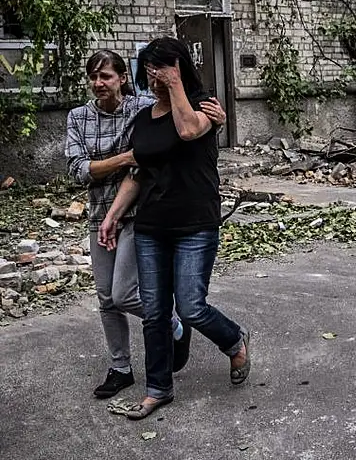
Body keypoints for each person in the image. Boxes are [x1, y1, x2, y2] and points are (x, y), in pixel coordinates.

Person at [99, 37, 251, 420]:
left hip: (195, 224)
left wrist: (176, 83)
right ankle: (158, 389)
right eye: (149, 70)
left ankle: (233, 340)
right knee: (153, 312)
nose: (155, 77)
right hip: (151, 225)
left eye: (162, 68)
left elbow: (186, 131)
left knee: (191, 307)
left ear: (179, 67)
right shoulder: (142, 120)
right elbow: (137, 174)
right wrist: (113, 215)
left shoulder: (205, 108)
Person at [66, 50, 225, 399]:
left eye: (105, 76)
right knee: (106, 298)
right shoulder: (78, 117)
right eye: (93, 77)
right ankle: (120, 367)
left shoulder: (143, 107)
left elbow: (182, 126)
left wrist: (217, 119)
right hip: (101, 212)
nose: (98, 83)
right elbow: (77, 169)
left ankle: (173, 325)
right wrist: (125, 158)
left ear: (123, 78)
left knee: (124, 293)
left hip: (141, 213)